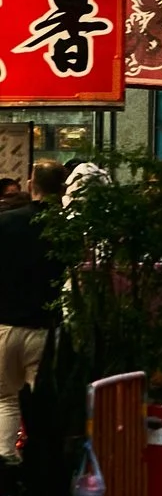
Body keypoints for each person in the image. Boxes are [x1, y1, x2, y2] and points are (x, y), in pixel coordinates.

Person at [0, 172, 57, 466]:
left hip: (6, 324)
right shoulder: (63, 228)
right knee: (39, 402)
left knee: (6, 398)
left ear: (32, 183)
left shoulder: (7, 224)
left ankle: (5, 459)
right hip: (44, 327)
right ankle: (40, 467)